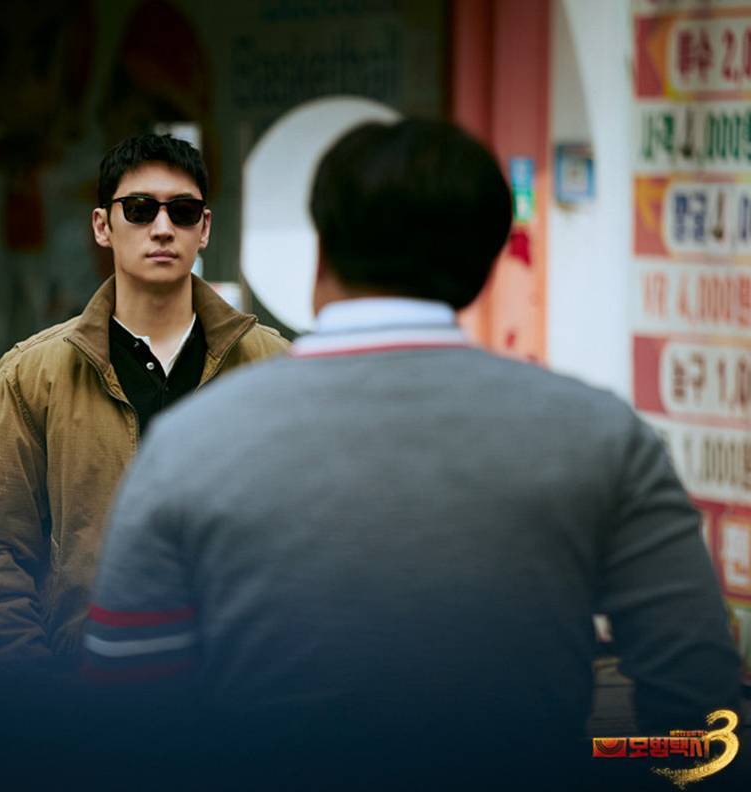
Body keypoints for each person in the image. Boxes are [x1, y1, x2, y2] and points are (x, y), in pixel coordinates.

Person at [83, 119, 743, 784]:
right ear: (482, 269)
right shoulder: (602, 436)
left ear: (321, 256)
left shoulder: (190, 443)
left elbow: (128, 721)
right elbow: (702, 716)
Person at [0, 134, 287, 682]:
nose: (163, 228)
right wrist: (33, 690)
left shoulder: (273, 367)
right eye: (140, 209)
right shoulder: (35, 374)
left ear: (204, 229)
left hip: (240, 689)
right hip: (86, 691)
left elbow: (314, 537)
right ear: (103, 226)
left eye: (183, 211)